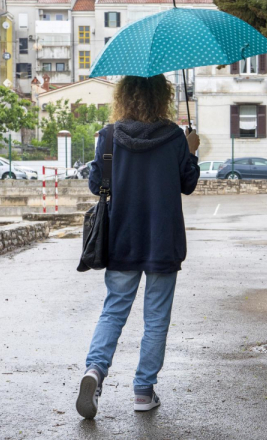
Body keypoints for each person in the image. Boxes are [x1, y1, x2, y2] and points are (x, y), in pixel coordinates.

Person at [76, 74, 200, 420]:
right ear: (161, 96)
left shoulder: (109, 136)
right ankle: (144, 391)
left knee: (114, 309)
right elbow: (187, 184)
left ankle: (95, 371)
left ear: (125, 96)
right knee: (156, 317)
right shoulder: (175, 137)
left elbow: (95, 184)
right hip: (163, 240)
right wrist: (191, 150)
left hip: (122, 237)